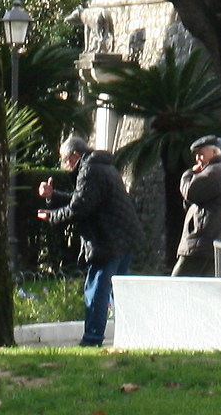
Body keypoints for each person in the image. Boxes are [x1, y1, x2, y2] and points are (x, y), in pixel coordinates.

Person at [53, 134, 142, 348]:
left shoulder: (90, 170)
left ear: (75, 155)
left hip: (107, 240)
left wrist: (52, 216)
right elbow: (87, 198)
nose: (65, 166)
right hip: (123, 238)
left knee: (96, 291)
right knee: (119, 291)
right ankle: (130, 335)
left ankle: (92, 339)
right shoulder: (103, 166)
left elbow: (80, 206)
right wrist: (53, 195)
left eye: (66, 160)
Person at [175, 137, 221, 277]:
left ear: (215, 152)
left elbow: (191, 192)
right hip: (205, 243)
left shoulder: (216, 171)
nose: (198, 159)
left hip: (200, 244)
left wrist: (189, 174)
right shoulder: (218, 170)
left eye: (201, 154)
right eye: (196, 155)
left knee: (175, 287)